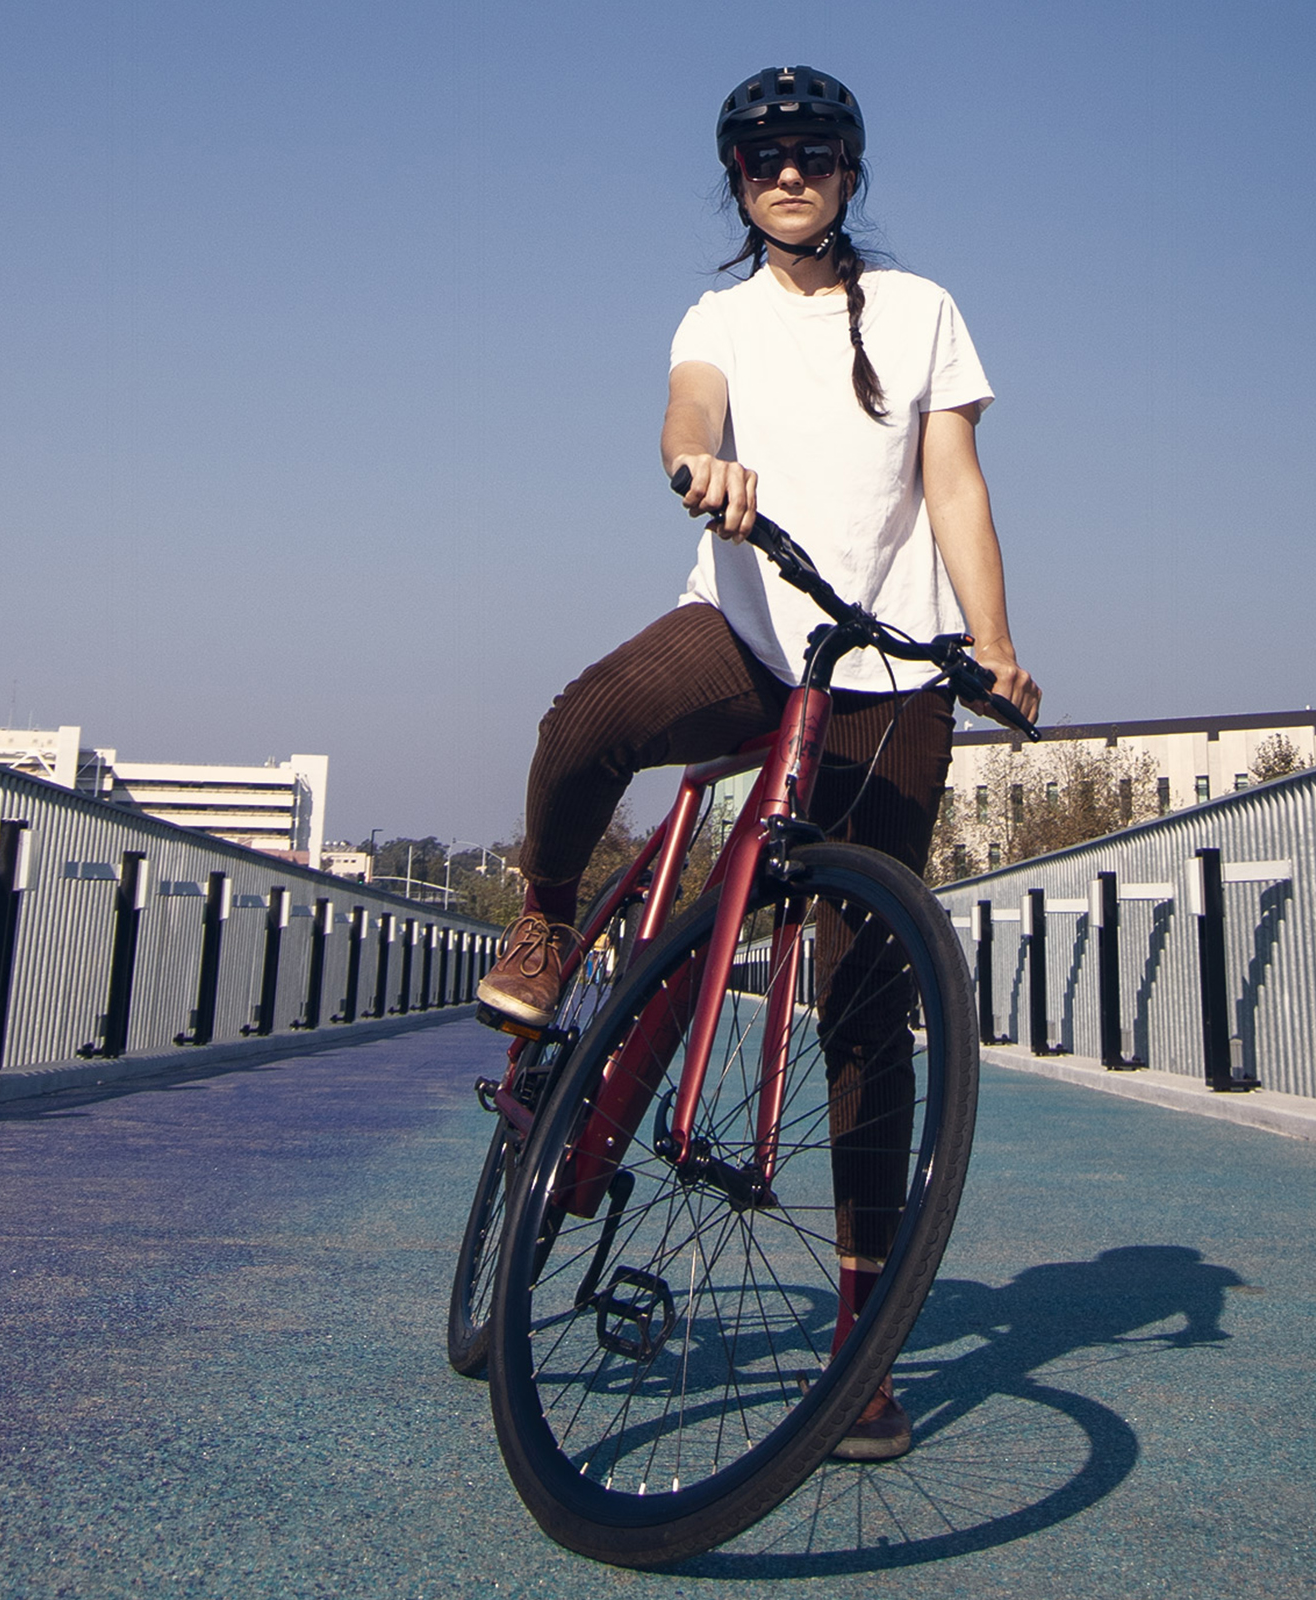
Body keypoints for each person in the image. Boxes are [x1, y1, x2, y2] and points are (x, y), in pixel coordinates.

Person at [475, 64, 1041, 1461]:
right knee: (584, 724)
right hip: (743, 631)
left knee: (866, 1002)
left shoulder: (921, 309)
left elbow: (954, 483)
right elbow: (689, 414)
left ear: (851, 170)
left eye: (815, 153)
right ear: (736, 179)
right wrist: (701, 470)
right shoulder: (717, 316)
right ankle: (548, 920)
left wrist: (994, 644)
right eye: (763, 157)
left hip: (885, 671)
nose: (790, 174)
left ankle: (861, 1345)